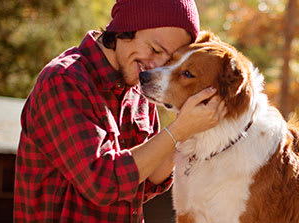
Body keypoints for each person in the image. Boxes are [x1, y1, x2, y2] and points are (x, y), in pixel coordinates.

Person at [13, 0, 224, 222]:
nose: (158, 65)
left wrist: (189, 124)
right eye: (155, 49)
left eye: (169, 58)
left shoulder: (140, 89)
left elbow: (148, 180)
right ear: (126, 28)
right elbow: (101, 184)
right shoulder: (64, 80)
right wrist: (178, 130)